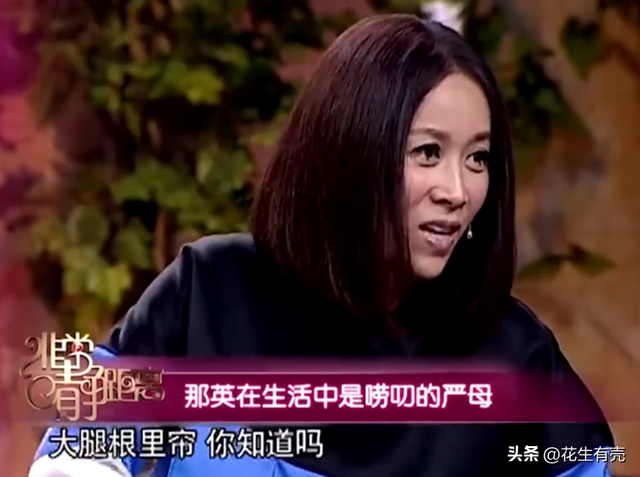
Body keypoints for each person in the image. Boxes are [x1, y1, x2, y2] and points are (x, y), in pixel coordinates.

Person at [30, 14, 614, 477]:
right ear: (350, 151)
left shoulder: (515, 352)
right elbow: (78, 455)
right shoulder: (211, 289)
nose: (458, 191)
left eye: (478, 158)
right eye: (428, 152)